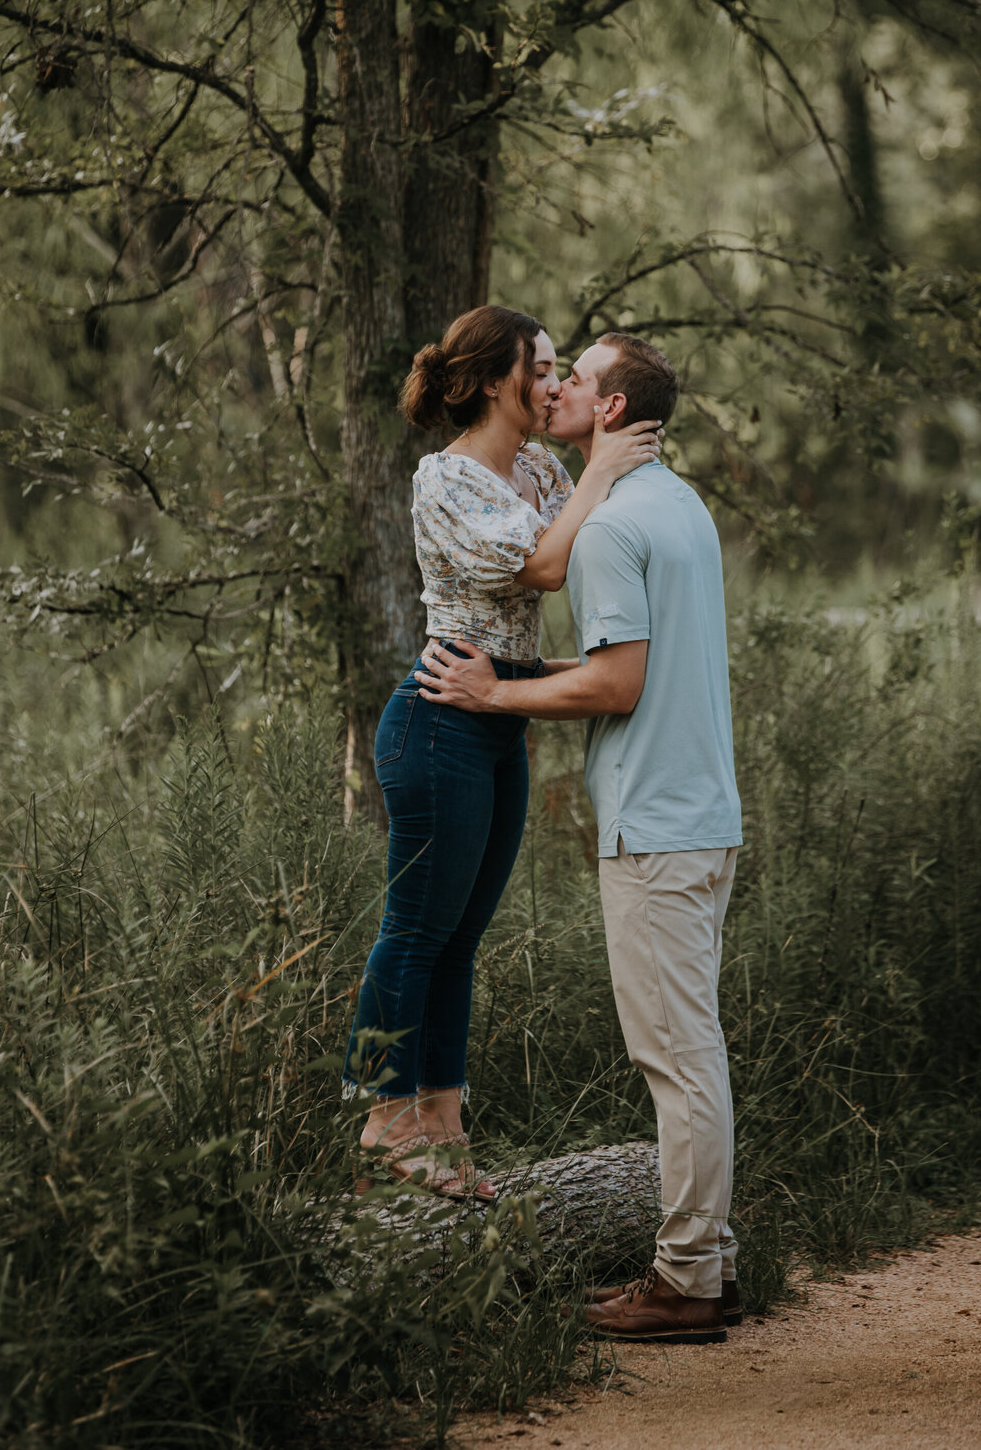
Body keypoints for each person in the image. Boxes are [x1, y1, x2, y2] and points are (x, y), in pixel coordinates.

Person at [415, 332, 744, 1340]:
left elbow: (616, 681)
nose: (554, 391)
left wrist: (492, 689)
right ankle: (711, 1262)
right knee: (696, 1050)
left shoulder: (606, 528)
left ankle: (686, 1278)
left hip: (652, 821)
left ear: (609, 411)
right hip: (705, 814)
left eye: (575, 380)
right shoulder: (678, 504)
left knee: (675, 1059)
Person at [343, 305, 662, 1201]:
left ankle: (443, 1132)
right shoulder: (442, 480)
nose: (557, 384)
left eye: (565, 369)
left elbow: (593, 540)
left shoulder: (539, 466)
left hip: (501, 716)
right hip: (439, 717)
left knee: (459, 938)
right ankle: (380, 1117)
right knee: (413, 931)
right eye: (543, 367)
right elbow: (546, 569)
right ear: (493, 380)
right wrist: (602, 464)